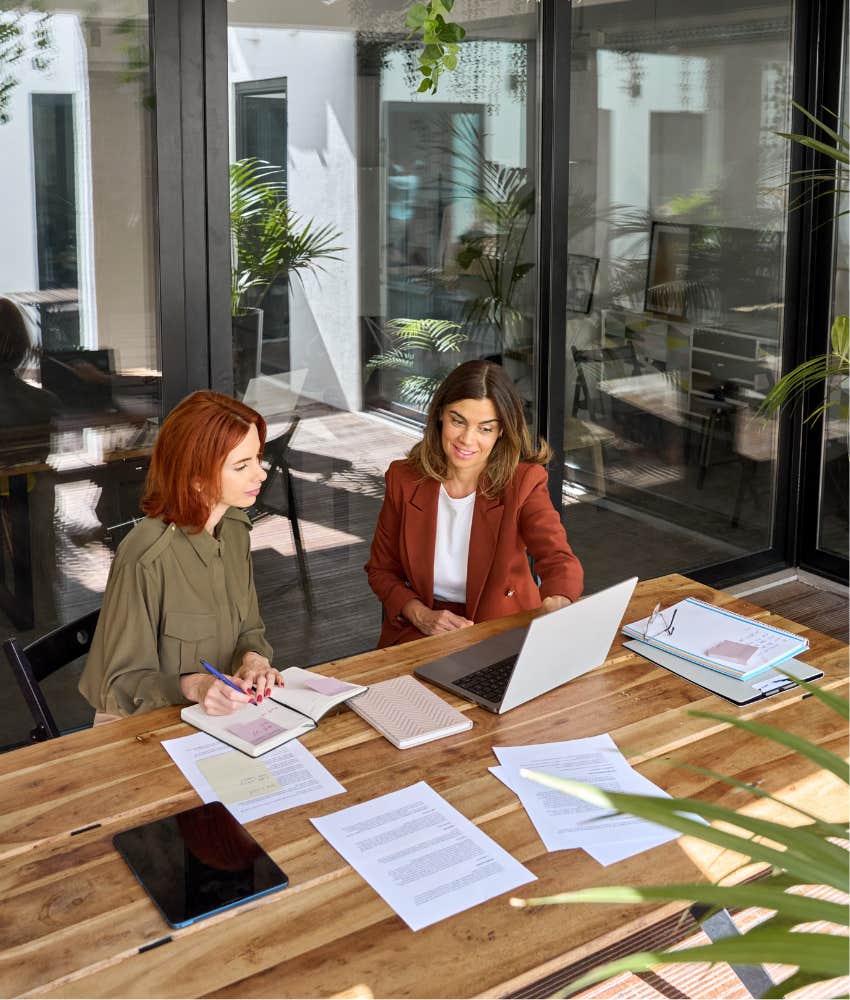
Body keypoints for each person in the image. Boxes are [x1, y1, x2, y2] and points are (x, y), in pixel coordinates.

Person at [79, 391, 282, 718]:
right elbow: (119, 686)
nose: (260, 474)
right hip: (142, 730)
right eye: (242, 465)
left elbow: (249, 630)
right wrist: (195, 686)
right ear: (197, 479)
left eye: (258, 458)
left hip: (218, 718)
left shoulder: (234, 530)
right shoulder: (145, 558)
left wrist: (253, 660)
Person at [365, 359, 584, 648]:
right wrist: (420, 615)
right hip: (421, 629)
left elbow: (557, 558)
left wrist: (558, 602)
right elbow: (381, 570)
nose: (467, 440)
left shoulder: (524, 482)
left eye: (485, 428)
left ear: (502, 430)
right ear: (441, 415)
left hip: (502, 628)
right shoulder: (403, 479)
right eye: (458, 421)